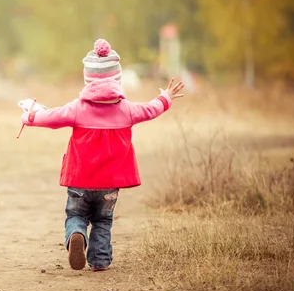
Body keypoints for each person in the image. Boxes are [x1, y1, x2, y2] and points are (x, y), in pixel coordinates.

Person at [20, 39, 184, 271]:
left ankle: (77, 234)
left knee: (75, 215)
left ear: (88, 79)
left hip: (79, 180)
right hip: (109, 183)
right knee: (103, 220)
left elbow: (51, 117)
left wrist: (29, 116)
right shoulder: (126, 110)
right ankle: (99, 260)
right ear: (117, 78)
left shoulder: (78, 108)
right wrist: (165, 97)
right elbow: (151, 110)